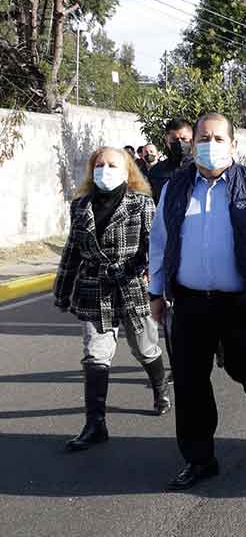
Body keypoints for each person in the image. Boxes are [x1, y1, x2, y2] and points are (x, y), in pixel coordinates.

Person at [149, 112, 246, 491]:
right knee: (190, 381)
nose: (209, 145)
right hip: (190, 302)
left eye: (218, 139)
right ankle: (200, 459)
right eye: (203, 138)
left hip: (242, 302)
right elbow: (160, 243)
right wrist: (156, 293)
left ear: (233, 145)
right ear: (192, 142)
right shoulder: (176, 188)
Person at [53, 147, 171, 452]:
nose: (105, 169)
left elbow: (155, 247)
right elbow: (72, 250)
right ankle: (95, 425)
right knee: (95, 355)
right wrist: (63, 291)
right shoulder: (80, 206)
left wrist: (145, 274)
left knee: (145, 348)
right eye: (99, 164)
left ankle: (159, 387)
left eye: (112, 164)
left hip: (131, 287)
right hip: (95, 288)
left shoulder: (142, 203)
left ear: (128, 170)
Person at [148, 118, 193, 205]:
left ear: (192, 139)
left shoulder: (201, 169)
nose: (180, 143)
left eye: (184, 139)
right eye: (174, 139)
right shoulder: (156, 171)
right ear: (167, 141)